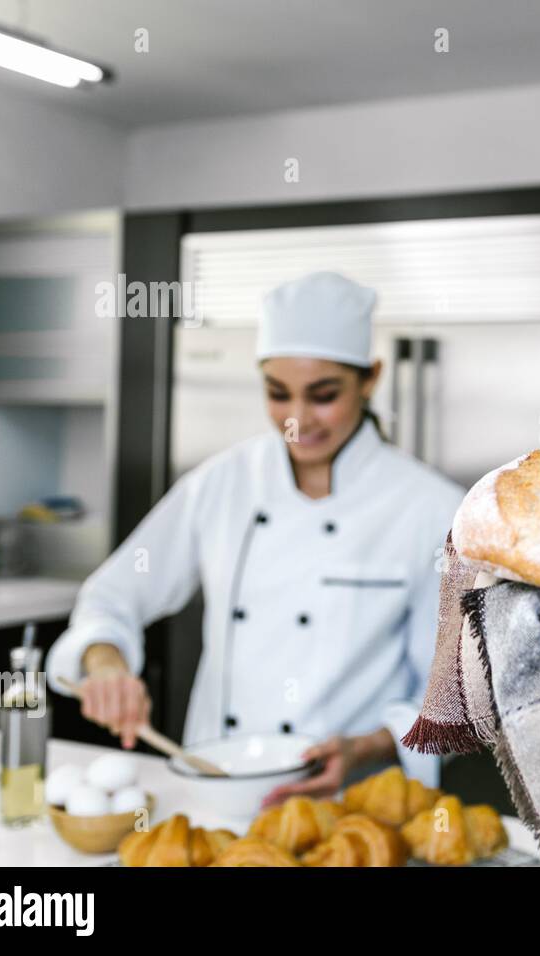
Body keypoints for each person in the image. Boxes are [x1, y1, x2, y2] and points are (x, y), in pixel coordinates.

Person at [47, 271, 463, 800]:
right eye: (277, 393)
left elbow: (454, 696)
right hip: (212, 793)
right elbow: (112, 596)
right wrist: (104, 663)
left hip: (347, 812)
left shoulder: (432, 509)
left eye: (324, 395)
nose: (297, 419)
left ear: (371, 378)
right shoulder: (222, 483)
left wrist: (370, 747)